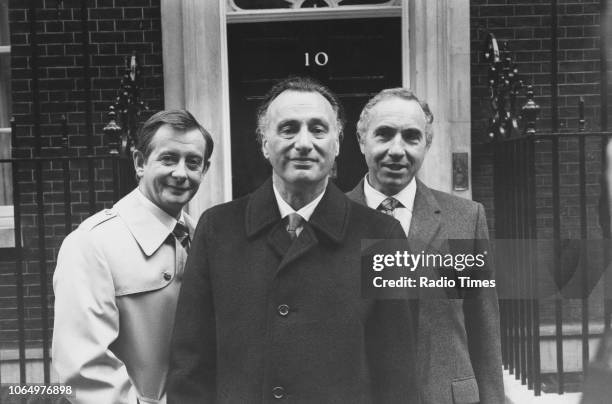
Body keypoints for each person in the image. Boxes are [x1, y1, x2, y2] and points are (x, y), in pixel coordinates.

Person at [167, 77, 417, 403]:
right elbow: (190, 363)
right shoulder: (217, 229)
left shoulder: (382, 237)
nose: (303, 142)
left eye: (318, 129)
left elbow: (397, 373)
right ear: (264, 143)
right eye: (288, 129)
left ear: (338, 143)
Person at [347, 88, 504, 404]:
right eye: (384, 134)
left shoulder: (465, 218)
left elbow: (484, 328)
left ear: (427, 144)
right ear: (362, 140)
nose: (397, 149)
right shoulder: (330, 220)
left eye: (411, 137)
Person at [52, 109, 214, 404]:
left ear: (205, 170)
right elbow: (83, 368)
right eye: (168, 159)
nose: (181, 173)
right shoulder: (93, 243)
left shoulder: (204, 236)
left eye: (193, 163)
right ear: (140, 163)